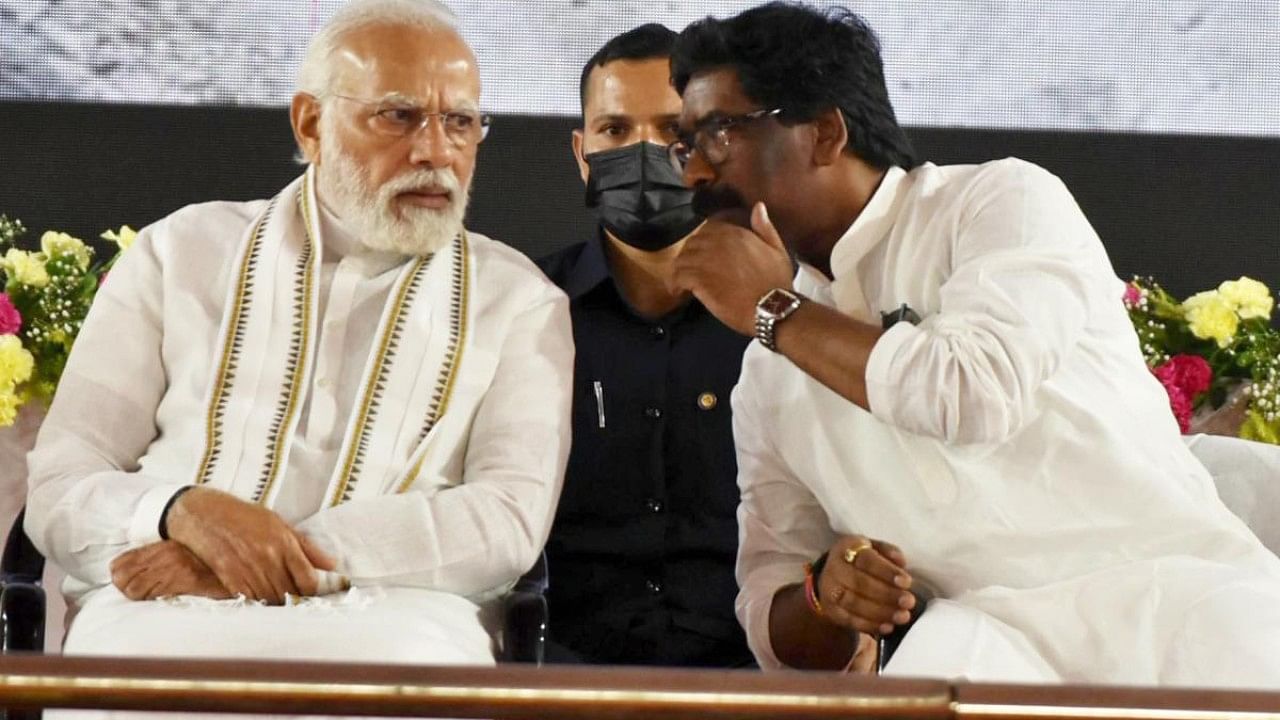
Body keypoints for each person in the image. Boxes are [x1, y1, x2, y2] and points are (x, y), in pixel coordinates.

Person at [665, 1, 1280, 686]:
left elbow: (973, 393)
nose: (693, 173)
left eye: (720, 132)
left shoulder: (998, 203)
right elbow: (773, 609)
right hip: (986, 651)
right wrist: (826, 596)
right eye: (685, 145)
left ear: (826, 132)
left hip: (1171, 605)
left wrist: (772, 309)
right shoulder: (769, 370)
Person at [24, 0, 572, 680]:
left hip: (397, 620)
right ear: (311, 122)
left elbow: (506, 520)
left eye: (460, 122)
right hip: (156, 611)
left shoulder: (518, 300)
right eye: (398, 115)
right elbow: (61, 483)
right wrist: (176, 511)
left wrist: (247, 556)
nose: (437, 151)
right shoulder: (179, 253)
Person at [535, 24, 754, 667]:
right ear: (582, 154)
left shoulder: (787, 312)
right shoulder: (525, 308)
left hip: (760, 674)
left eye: (671, 131)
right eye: (615, 131)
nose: (644, 151)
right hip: (563, 677)